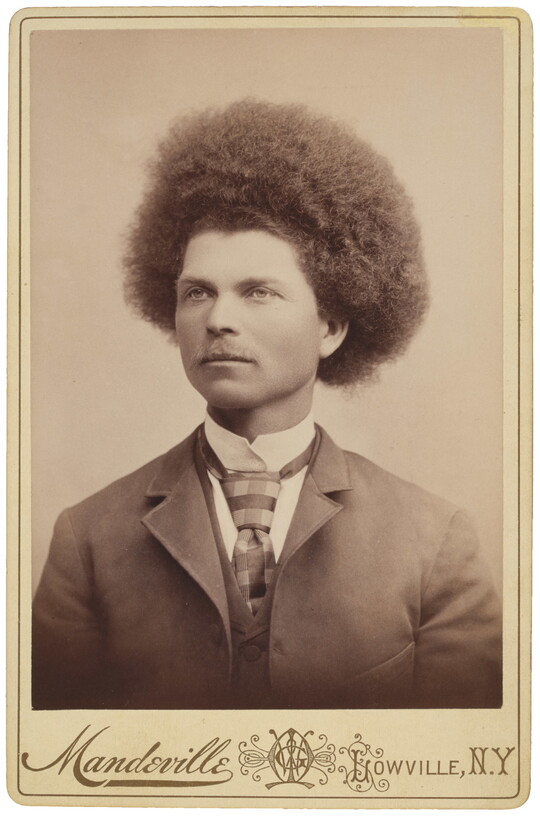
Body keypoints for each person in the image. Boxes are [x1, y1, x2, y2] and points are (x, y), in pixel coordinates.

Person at [32, 99, 502, 710]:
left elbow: (458, 778)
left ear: (330, 326)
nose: (218, 320)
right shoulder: (88, 539)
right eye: (197, 292)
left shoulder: (435, 541)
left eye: (258, 292)